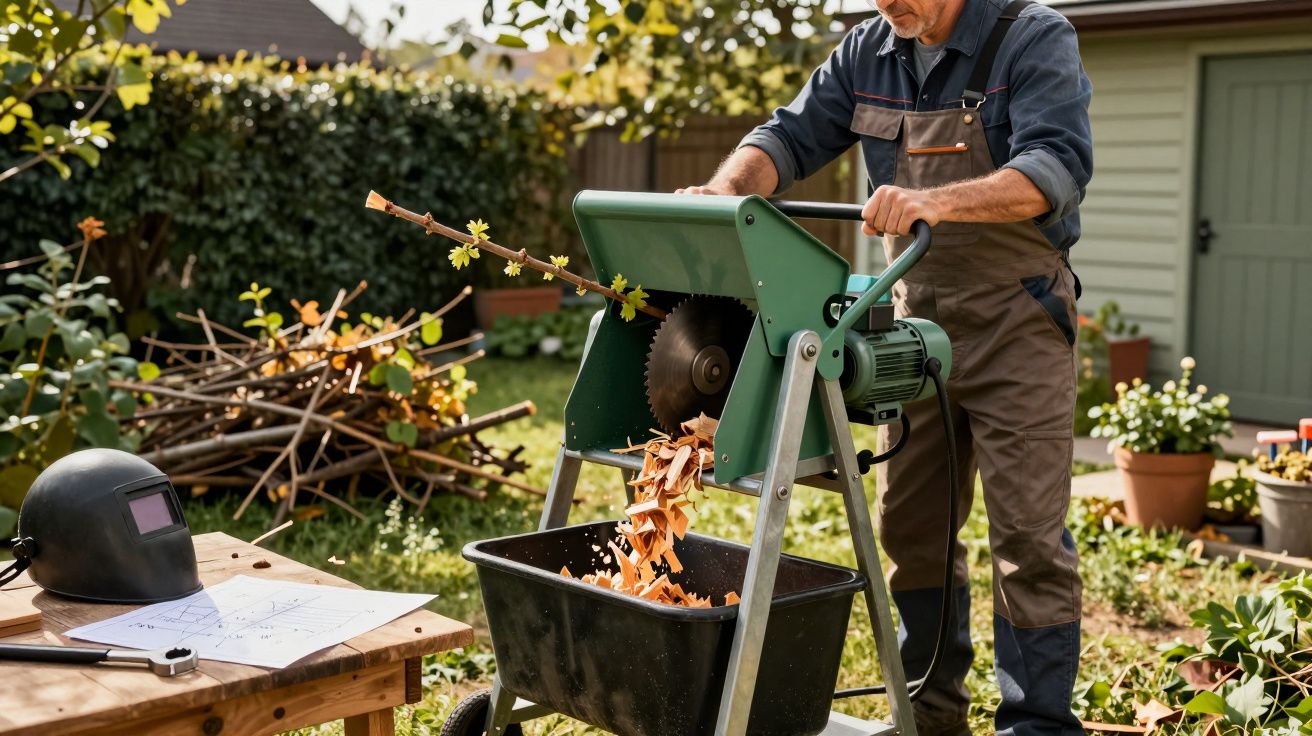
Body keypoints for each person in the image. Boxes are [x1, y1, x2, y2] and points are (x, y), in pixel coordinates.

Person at [678, 0, 1092, 733]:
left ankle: (1037, 725)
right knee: (912, 529)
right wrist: (726, 189)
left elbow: (1053, 168)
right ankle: (931, 713)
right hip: (916, 322)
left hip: (1019, 317)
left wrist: (933, 200)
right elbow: (787, 135)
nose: (889, 1)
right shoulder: (868, 50)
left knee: (1027, 538)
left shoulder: (1031, 37)